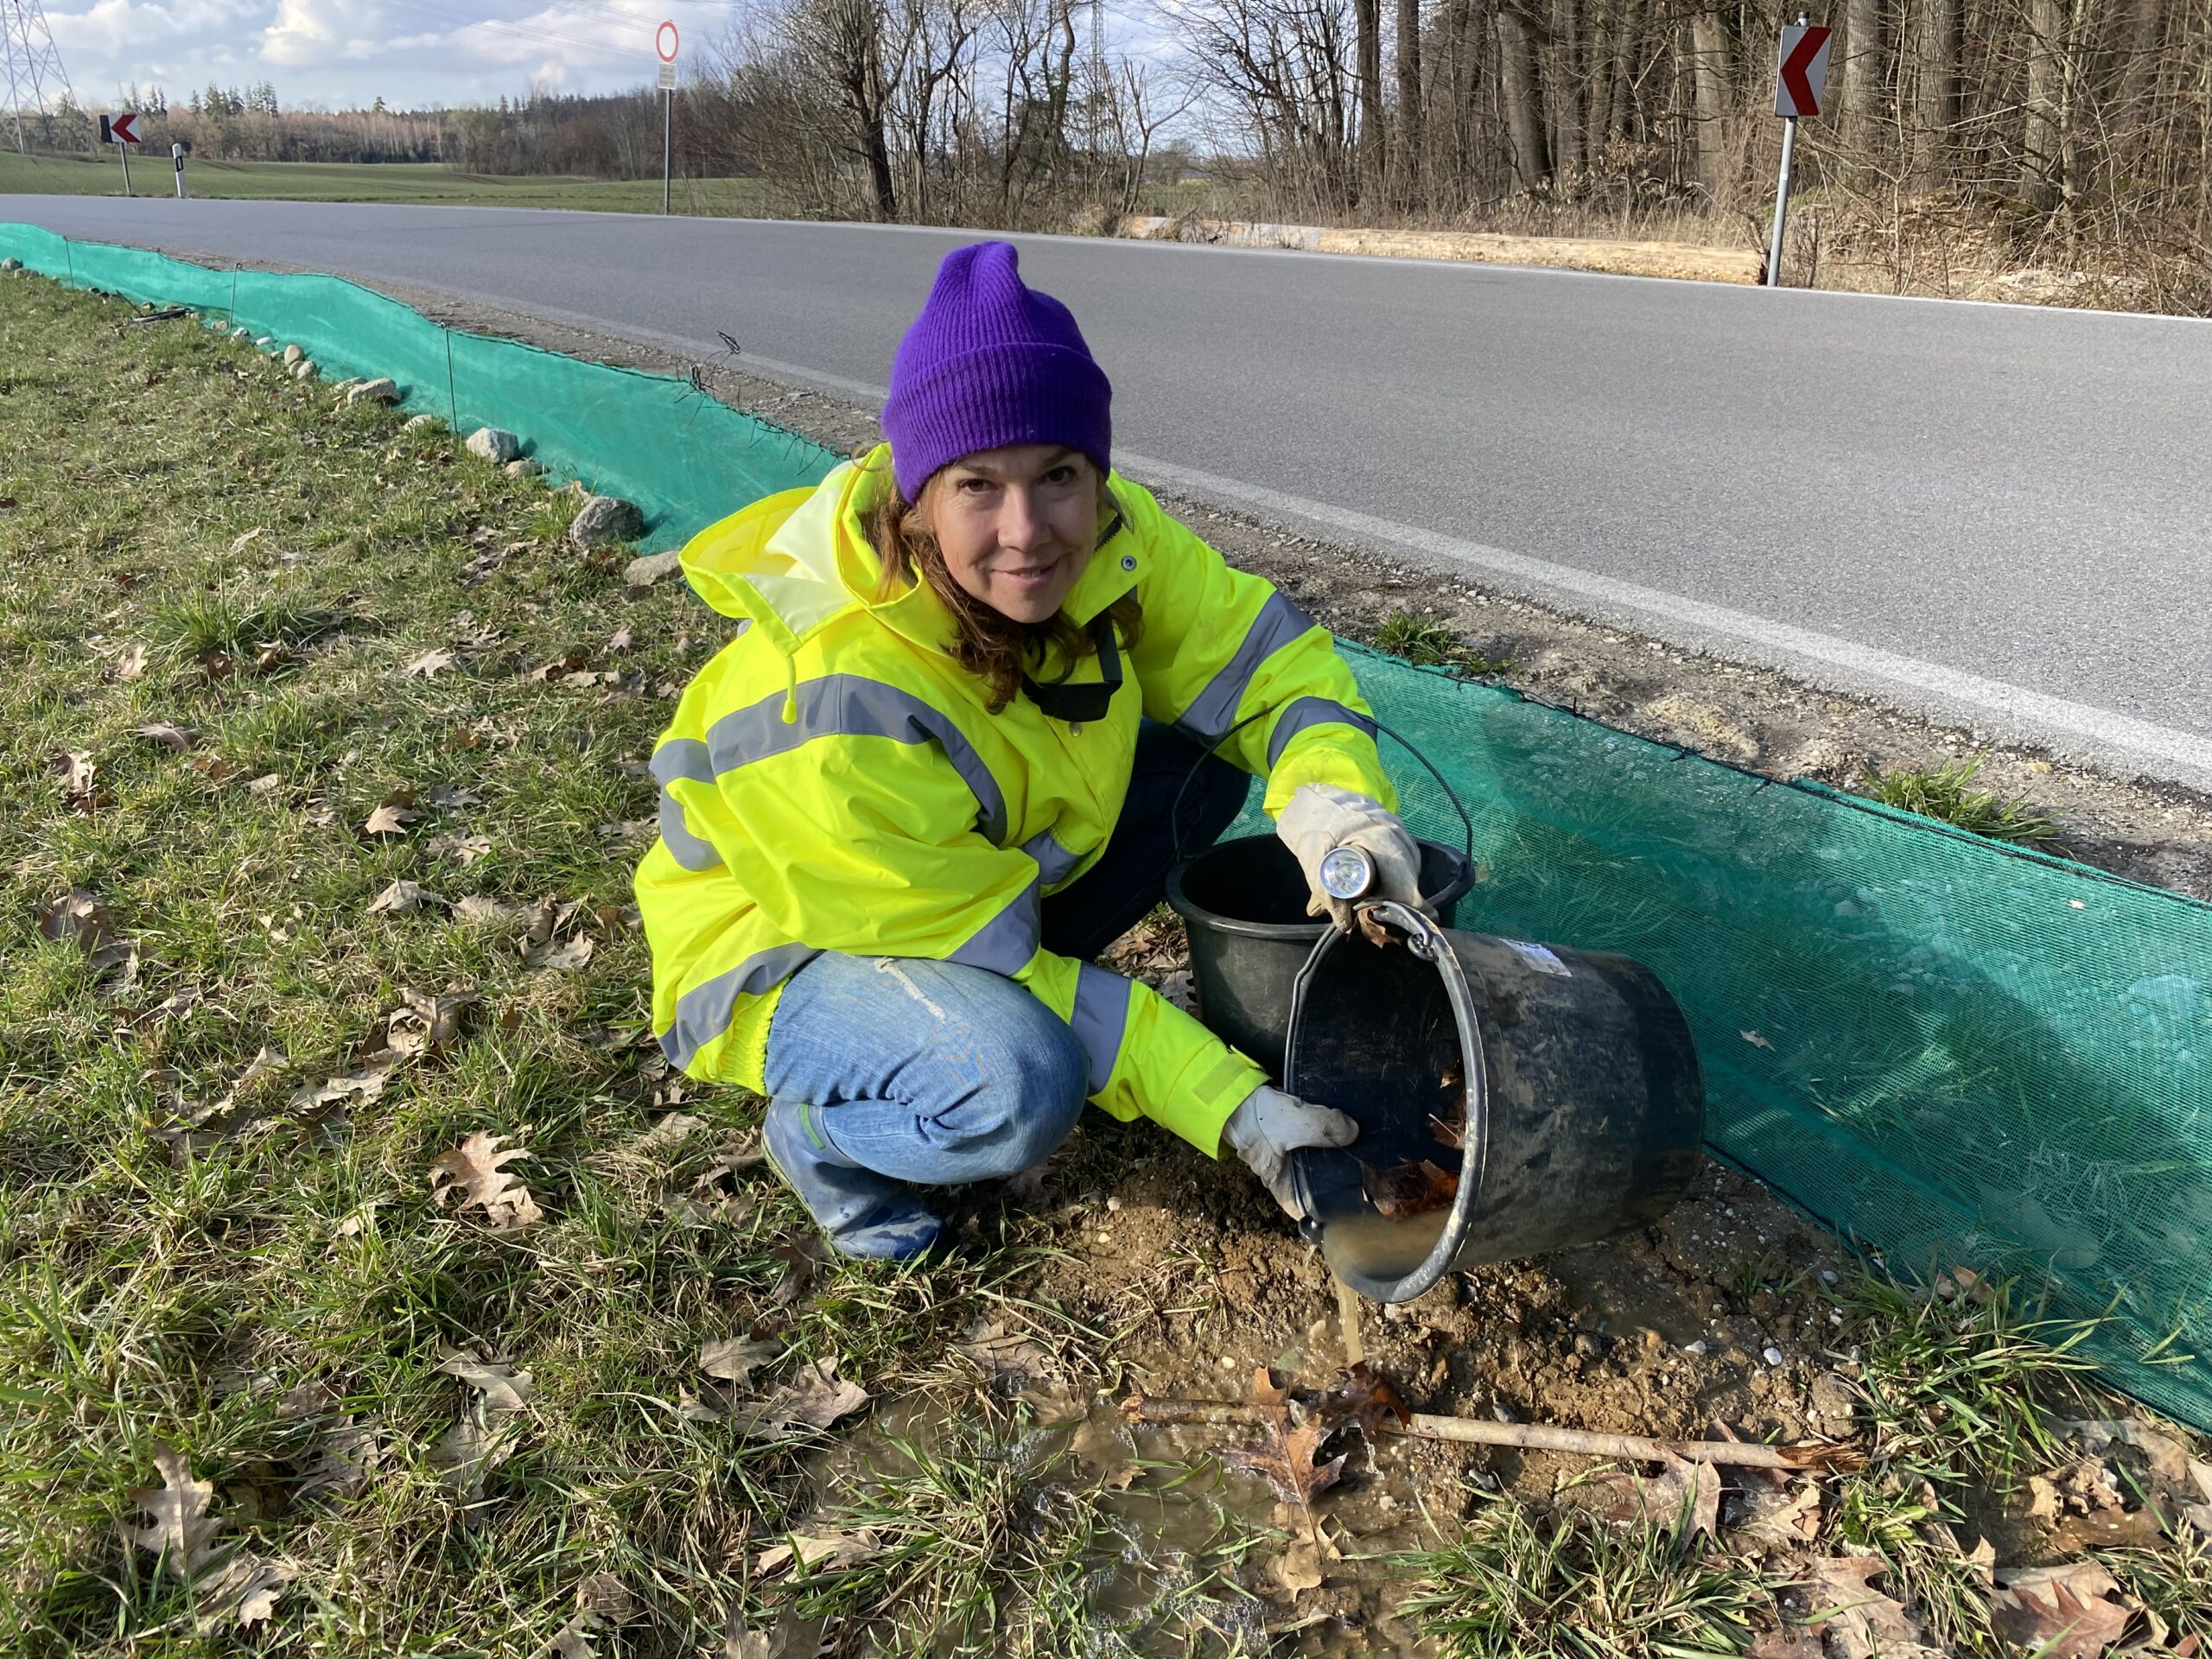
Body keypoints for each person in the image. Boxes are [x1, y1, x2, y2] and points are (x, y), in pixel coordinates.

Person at [636, 241, 1428, 1258]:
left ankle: (1028, 1013)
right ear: (918, 498)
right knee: (1021, 1082)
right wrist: (1224, 1099)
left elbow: (1268, 668)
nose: (1028, 532)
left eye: (1058, 475)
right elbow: (962, 940)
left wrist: (1333, 804)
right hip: (781, 951)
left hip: (955, 887)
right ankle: (827, 1141)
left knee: (1209, 755)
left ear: (1095, 473)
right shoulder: (834, 703)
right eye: (978, 485)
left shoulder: (1113, 540)